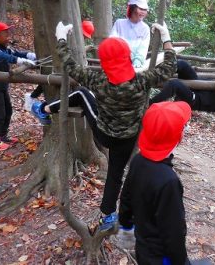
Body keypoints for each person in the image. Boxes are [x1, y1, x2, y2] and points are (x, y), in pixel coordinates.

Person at [31, 21, 177, 233]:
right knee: (115, 174)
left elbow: (69, 65)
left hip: (105, 133)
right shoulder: (142, 80)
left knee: (81, 93)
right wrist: (166, 36)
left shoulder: (97, 78)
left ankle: (43, 109)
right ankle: (107, 214)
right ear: (127, 57)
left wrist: (61, 37)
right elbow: (170, 65)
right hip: (128, 137)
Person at [118, 101, 192, 264]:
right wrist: (180, 261)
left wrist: (126, 225)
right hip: (162, 257)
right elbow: (174, 232)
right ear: (178, 137)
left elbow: (126, 197)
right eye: (183, 127)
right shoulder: (169, 182)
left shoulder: (137, 161)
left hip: (143, 248)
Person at [0, 21, 36, 151]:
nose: (8, 35)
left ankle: (2, 136)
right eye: (5, 33)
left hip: (1, 87)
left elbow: (15, 53)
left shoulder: (4, 47)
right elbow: (4, 57)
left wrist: (29, 55)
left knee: (8, 112)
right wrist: (19, 61)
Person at [23, 20, 95, 112]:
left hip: (69, 66)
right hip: (60, 64)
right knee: (48, 81)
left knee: (57, 82)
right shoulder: (69, 35)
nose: (84, 38)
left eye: (85, 36)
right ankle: (33, 97)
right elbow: (65, 50)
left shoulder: (77, 40)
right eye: (83, 35)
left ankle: (38, 99)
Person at [110, 0, 150, 69]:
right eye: (140, 9)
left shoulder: (145, 28)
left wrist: (138, 60)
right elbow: (112, 41)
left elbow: (143, 48)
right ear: (132, 8)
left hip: (135, 66)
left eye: (145, 10)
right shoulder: (119, 23)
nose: (143, 12)